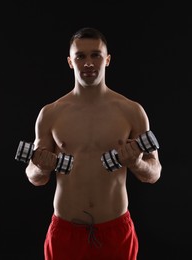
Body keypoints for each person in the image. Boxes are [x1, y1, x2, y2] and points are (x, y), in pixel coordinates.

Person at [24, 27, 162, 260]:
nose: (88, 63)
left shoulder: (132, 111)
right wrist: (40, 167)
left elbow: (155, 172)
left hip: (115, 231)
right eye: (80, 56)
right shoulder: (50, 114)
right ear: (70, 61)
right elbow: (35, 177)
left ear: (107, 59)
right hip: (65, 232)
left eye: (96, 55)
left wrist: (137, 163)